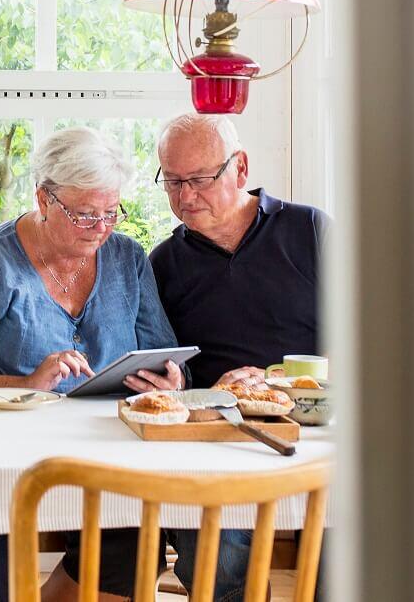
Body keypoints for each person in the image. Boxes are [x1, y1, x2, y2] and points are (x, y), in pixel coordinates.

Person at [0, 126, 183, 602]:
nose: (101, 228)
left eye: (110, 213)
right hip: (5, 461)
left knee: (135, 541)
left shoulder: (126, 259)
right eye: (84, 215)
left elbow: (161, 349)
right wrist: (26, 383)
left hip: (105, 451)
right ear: (44, 199)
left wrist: (169, 379)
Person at [149, 113, 328, 601]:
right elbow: (168, 366)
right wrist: (175, 387)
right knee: (217, 550)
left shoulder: (308, 230)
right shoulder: (163, 263)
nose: (186, 197)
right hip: (217, 436)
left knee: (350, 533)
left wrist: (274, 379)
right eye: (173, 182)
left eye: (200, 180)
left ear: (240, 168)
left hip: (312, 426)